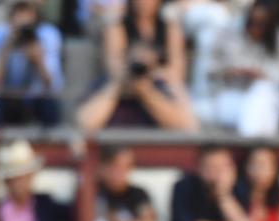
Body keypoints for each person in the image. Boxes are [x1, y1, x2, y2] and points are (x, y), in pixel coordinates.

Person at [78, 0, 196, 130]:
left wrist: (147, 83)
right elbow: (114, 65)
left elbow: (177, 70)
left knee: (177, 93)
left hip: (159, 86)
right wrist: (128, 75)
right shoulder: (117, 26)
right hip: (122, 87)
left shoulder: (169, 27)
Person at [196, 0, 279, 136]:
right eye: (252, 22)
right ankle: (257, 145)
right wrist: (229, 72)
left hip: (268, 100)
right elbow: (211, 71)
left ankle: (250, 141)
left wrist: (260, 75)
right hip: (232, 96)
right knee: (263, 116)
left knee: (262, 90)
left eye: (261, 24)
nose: (255, 28)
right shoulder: (229, 30)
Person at [0, 0, 64, 126]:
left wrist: (39, 61)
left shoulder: (48, 35)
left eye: (28, 13)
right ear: (10, 17)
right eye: (19, 13)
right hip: (5, 96)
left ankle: (52, 138)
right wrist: (5, 50)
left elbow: (53, 86)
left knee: (49, 103)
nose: (24, 21)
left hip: (35, 98)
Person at [168, 142, 254, 221]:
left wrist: (223, 195)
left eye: (222, 167)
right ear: (199, 168)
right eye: (211, 167)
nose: (218, 173)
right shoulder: (183, 187)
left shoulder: (240, 188)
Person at [0, 139, 72, 221]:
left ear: (31, 178)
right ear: (8, 182)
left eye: (25, 177)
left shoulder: (46, 204)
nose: (21, 183)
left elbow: (76, 213)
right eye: (16, 178)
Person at [94, 143, 158, 221]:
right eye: (116, 166)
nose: (121, 173)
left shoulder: (138, 194)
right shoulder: (92, 193)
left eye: (127, 167)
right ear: (103, 167)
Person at [234, 144, 279, 221]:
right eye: (255, 164)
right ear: (245, 167)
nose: (260, 170)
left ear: (275, 169)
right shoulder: (236, 199)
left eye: (266, 164)